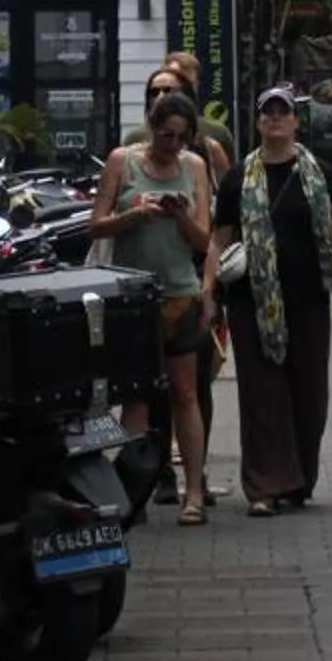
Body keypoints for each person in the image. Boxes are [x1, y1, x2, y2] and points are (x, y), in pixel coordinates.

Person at [212, 85, 332, 516]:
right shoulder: (239, 177)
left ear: (295, 121)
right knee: (261, 393)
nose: (275, 119)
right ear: (258, 122)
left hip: (309, 298)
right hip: (251, 301)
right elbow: (219, 239)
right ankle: (264, 486)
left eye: (283, 112)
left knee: (308, 393)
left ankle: (297, 479)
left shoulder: (320, 174)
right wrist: (208, 293)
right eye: (267, 113)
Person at [89, 92, 217, 525]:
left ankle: (194, 491)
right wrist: (135, 214)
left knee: (185, 393)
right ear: (151, 127)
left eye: (181, 139)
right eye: (165, 136)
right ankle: (133, 490)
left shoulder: (194, 167)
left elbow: (204, 240)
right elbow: (95, 223)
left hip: (179, 291)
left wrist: (179, 216)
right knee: (136, 398)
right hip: (130, 294)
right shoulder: (122, 161)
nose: (172, 145)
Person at [124, 61, 230, 507]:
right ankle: (152, 476)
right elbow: (102, 216)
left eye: (168, 90)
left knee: (192, 384)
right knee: (143, 390)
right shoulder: (128, 147)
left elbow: (217, 223)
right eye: (153, 91)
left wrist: (210, 278)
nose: (159, 97)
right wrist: (137, 211)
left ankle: (194, 479)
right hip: (139, 283)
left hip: (188, 278)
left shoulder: (208, 146)